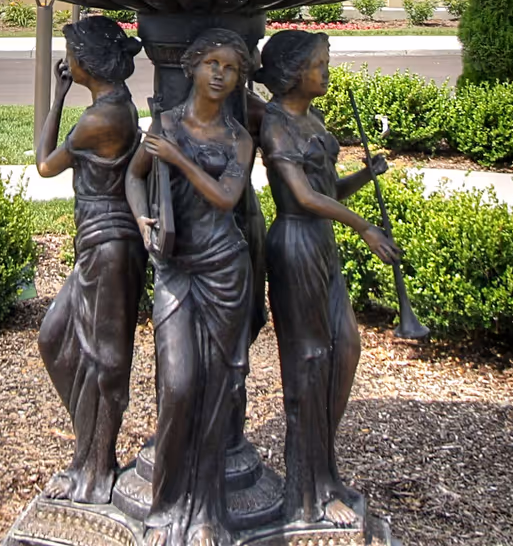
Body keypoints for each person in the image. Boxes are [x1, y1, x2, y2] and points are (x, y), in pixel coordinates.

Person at [255, 30, 397, 530]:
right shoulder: (275, 125)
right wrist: (362, 227)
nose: (327, 70)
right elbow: (300, 195)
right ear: (294, 72)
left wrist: (365, 177)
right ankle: (307, 489)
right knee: (310, 365)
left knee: (347, 351)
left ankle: (324, 468)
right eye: (320, 62)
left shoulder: (310, 118)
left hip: (321, 243)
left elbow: (327, 189)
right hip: (295, 244)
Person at [126, 28, 256, 546]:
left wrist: (178, 158)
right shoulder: (163, 123)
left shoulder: (238, 139)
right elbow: (134, 177)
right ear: (192, 67)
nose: (221, 74)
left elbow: (227, 199)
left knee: (216, 391)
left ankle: (206, 513)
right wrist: (142, 221)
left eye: (231, 67)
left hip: (226, 269)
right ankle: (166, 504)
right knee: (178, 387)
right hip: (177, 269)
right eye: (212, 64)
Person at [35, 15, 147, 505]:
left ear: (88, 62)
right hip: (98, 242)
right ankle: (90, 452)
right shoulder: (110, 106)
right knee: (56, 338)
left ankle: (97, 466)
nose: (68, 60)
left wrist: (55, 98)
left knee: (104, 358)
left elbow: (43, 165)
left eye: (71, 52)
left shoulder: (101, 119)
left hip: (109, 243)